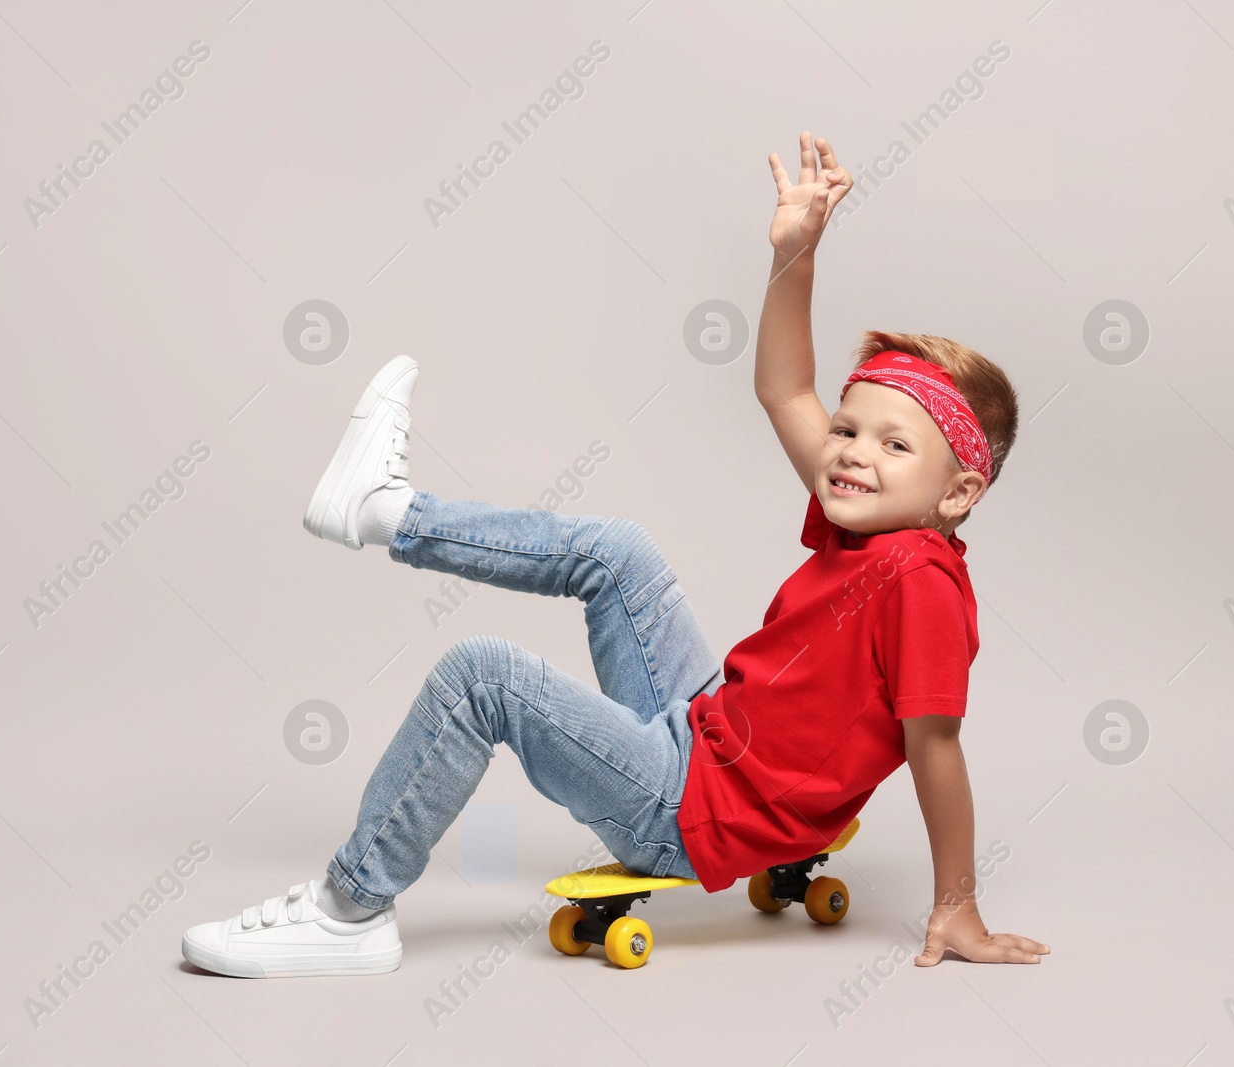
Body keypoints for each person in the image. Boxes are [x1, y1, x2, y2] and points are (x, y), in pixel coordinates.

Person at [179, 130, 1050, 978]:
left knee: (483, 676)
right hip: (706, 734)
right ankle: (388, 511)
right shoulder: (870, 526)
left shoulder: (918, 575)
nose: (853, 450)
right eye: (851, 426)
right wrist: (797, 252)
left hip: (689, 810)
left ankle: (348, 910)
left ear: (958, 495)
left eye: (895, 446)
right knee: (618, 551)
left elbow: (936, 745)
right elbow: (784, 388)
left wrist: (956, 903)